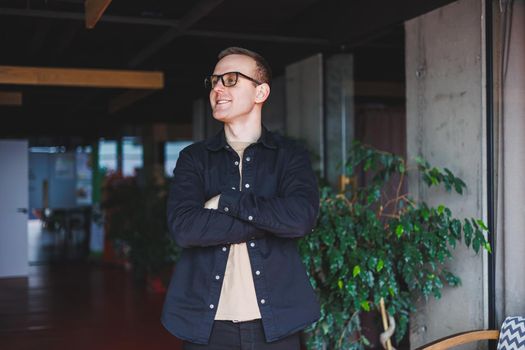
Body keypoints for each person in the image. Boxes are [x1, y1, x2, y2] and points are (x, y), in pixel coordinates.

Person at [161, 47, 320, 350]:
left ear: (261, 92)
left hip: (276, 324)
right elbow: (184, 228)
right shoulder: (194, 158)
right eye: (214, 81)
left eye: (231, 79)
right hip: (206, 327)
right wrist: (271, 220)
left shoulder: (290, 156)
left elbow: (300, 218)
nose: (217, 88)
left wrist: (227, 202)